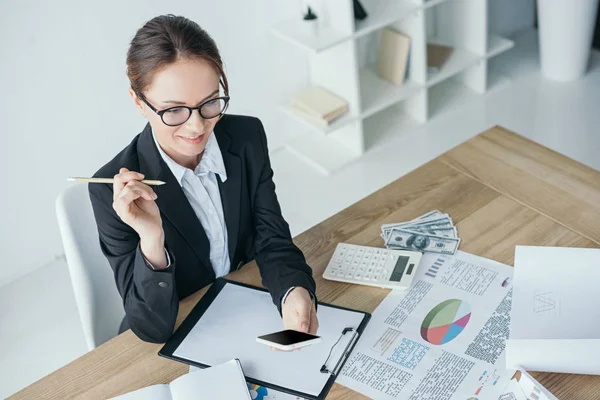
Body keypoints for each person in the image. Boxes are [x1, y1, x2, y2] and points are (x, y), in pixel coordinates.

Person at [89, 15, 318, 343]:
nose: (197, 127)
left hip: (243, 306)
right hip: (179, 329)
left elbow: (270, 238)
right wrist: (152, 241)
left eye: (210, 102)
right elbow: (150, 328)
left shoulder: (246, 137)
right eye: (174, 110)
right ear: (139, 103)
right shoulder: (110, 191)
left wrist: (293, 291)